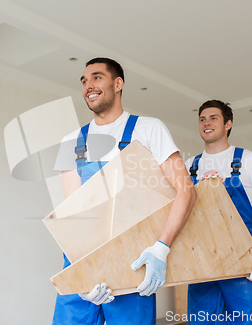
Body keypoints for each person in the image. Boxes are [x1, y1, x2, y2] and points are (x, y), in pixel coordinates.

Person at [52, 57, 197, 325]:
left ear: (118, 84)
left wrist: (161, 249)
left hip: (133, 261)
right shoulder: (71, 142)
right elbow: (72, 213)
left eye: (96, 77)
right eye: (84, 80)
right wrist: (82, 275)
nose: (88, 85)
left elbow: (186, 192)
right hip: (82, 262)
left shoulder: (148, 129)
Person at [184, 100, 252, 325]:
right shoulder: (191, 165)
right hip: (202, 264)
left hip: (243, 262)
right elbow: (180, 213)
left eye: (213, 118)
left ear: (228, 124)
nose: (206, 123)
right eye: (202, 119)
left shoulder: (247, 160)